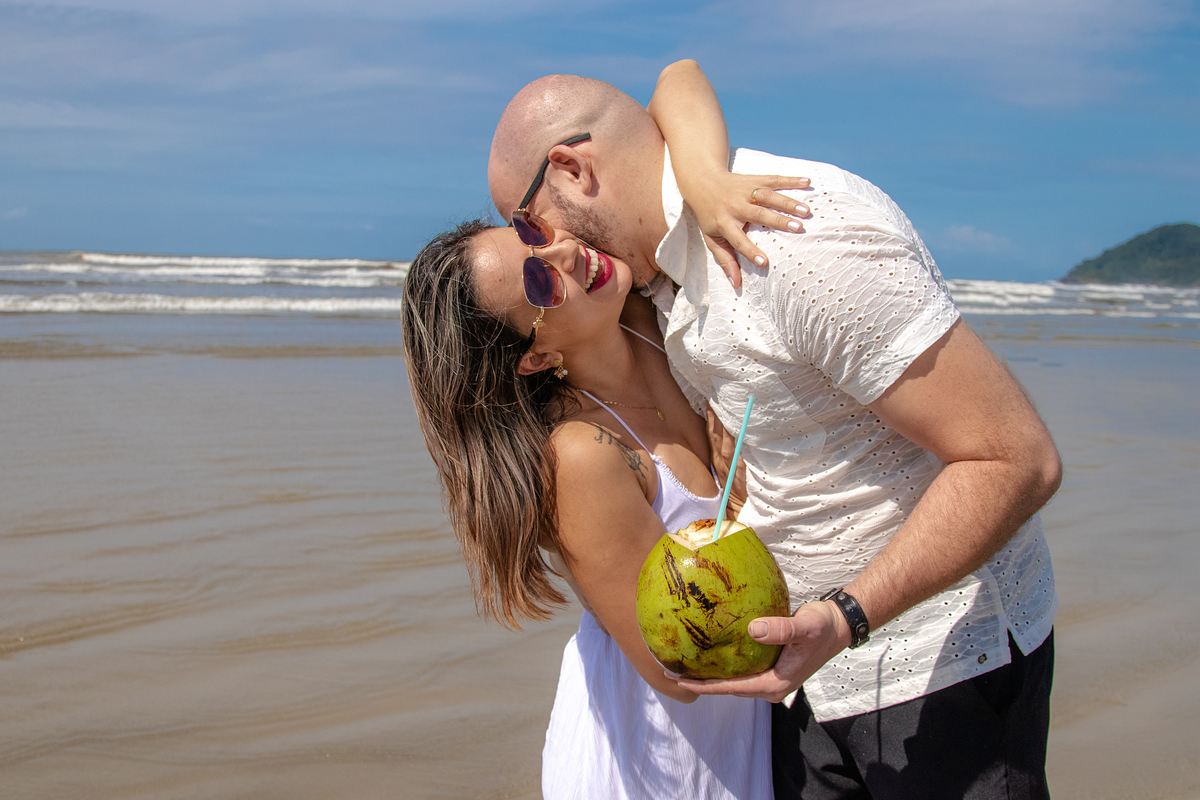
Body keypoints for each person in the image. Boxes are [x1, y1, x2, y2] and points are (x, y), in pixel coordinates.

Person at [487, 60, 1063, 800]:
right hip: (802, 689)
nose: (544, 250)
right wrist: (699, 175)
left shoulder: (793, 246)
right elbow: (676, 81)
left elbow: (1015, 459)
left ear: (570, 167)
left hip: (935, 667)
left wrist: (848, 615)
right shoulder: (659, 273)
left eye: (527, 224)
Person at [401, 99, 809, 794]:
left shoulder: (649, 306)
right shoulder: (583, 457)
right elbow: (676, 671)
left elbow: (672, 88)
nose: (562, 255)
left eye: (533, 237)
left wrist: (706, 182)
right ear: (534, 358)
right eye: (538, 281)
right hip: (662, 758)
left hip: (743, 734)